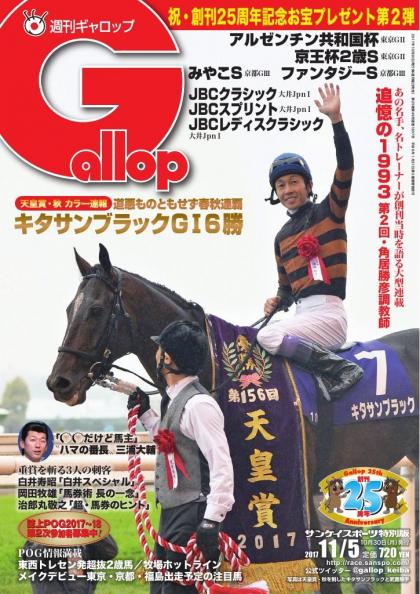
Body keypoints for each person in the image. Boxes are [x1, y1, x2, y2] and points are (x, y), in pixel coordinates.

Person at [258, 83, 363, 399]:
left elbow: (345, 167)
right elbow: (286, 290)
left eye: (294, 182)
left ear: (308, 185)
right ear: (276, 193)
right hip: (300, 318)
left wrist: (336, 121)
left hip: (329, 316)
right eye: (281, 185)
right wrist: (276, 301)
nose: (288, 189)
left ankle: (342, 369)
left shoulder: (330, 210)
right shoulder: (281, 238)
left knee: (266, 337)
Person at [128, 320, 234, 594]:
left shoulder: (199, 404)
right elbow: (173, 444)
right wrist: (146, 415)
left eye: (159, 349)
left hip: (192, 513)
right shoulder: (176, 398)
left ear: (167, 358)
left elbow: (221, 464)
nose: (155, 354)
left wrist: (212, 519)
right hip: (173, 513)